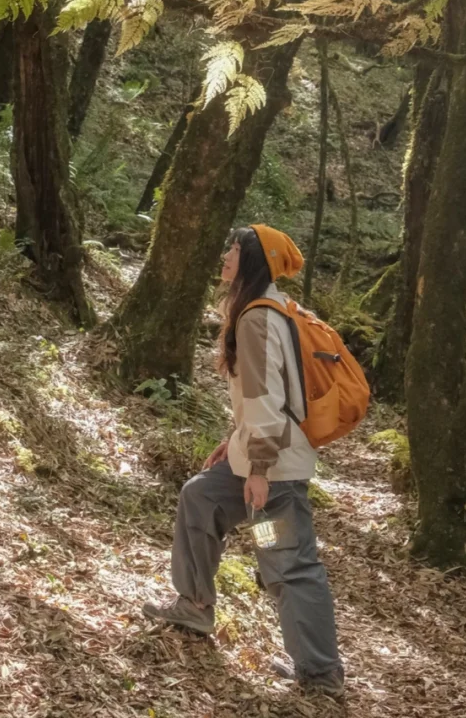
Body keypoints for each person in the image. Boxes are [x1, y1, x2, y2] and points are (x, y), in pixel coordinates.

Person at [142, 224, 345, 699]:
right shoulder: (269, 310)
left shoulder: (258, 317)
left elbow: (265, 397)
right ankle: (194, 604)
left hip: (272, 472)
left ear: (254, 262)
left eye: (235, 248)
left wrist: (257, 470)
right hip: (256, 457)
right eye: (229, 244)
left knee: (285, 561)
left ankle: (320, 674)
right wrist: (234, 442)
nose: (226, 254)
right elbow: (264, 398)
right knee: (200, 497)